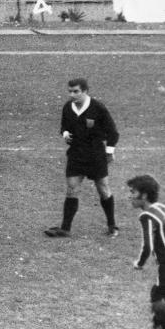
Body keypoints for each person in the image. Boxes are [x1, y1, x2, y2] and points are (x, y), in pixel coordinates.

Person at [45, 78, 120, 238]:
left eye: (76, 91)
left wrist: (109, 152)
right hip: (76, 155)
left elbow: (113, 132)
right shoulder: (67, 107)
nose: (72, 95)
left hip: (95, 156)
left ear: (85, 91)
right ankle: (65, 229)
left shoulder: (98, 108)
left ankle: (112, 226)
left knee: (103, 189)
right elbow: (64, 126)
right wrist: (65, 133)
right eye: (70, 91)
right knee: (72, 188)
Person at [129, 175, 165, 303]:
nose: (130, 196)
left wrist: (139, 264)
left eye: (133, 192)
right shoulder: (161, 207)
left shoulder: (147, 215)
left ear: (144, 196)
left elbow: (148, 246)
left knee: (157, 296)